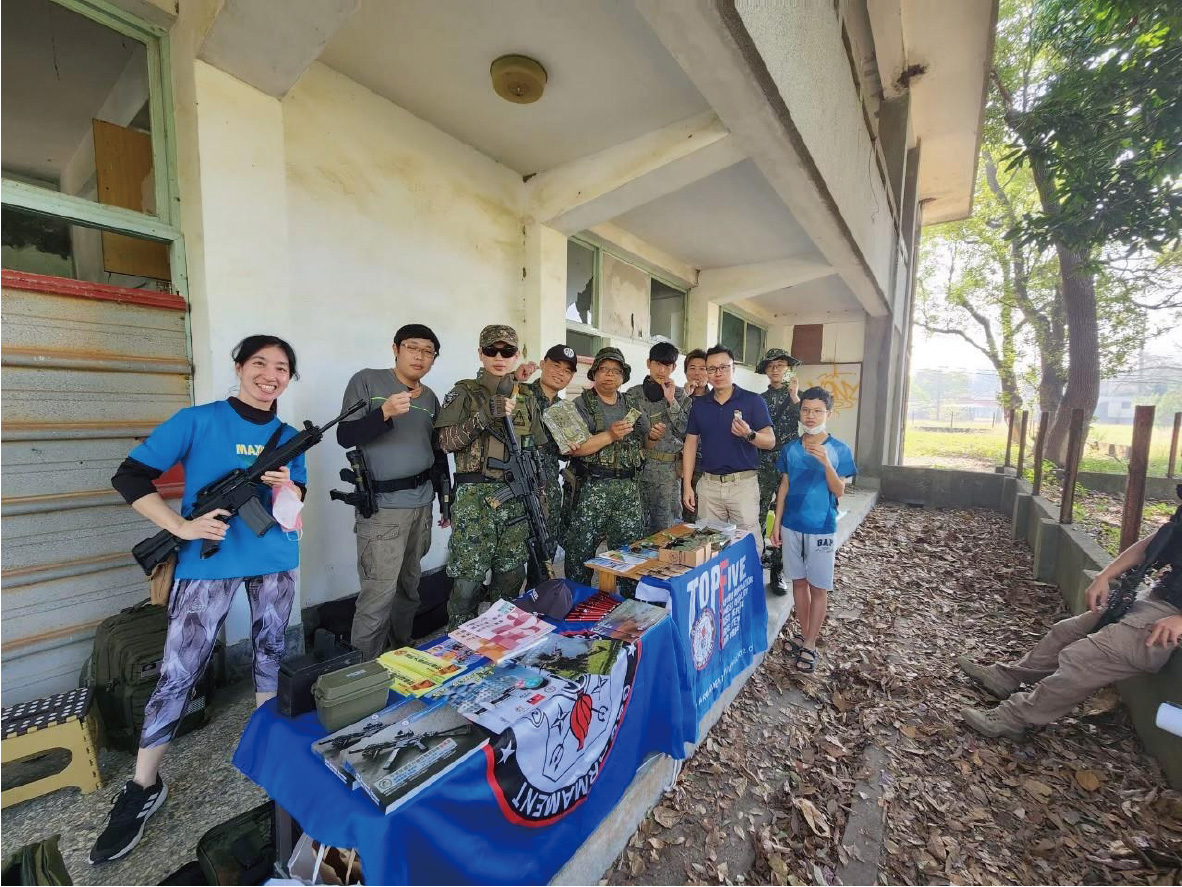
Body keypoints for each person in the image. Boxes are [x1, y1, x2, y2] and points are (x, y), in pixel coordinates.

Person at [95, 335, 307, 864]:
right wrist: (182, 526)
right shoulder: (198, 420)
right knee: (178, 671)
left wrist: (287, 487)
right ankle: (144, 785)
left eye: (282, 368)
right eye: (260, 363)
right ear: (238, 367)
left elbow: (295, 504)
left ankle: (269, 756)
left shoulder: (287, 436)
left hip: (275, 562)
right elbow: (129, 475)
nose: (270, 374)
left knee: (272, 658)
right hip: (208, 564)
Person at [959, 526, 1182, 740]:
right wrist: (1104, 576)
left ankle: (1014, 718)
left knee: (1084, 657)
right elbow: (1156, 541)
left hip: (1171, 619)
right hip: (1158, 595)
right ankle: (1006, 678)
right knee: (1067, 631)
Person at [337, 324, 449, 660]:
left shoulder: (429, 397)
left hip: (422, 504)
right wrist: (383, 412)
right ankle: (362, 671)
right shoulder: (368, 381)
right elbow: (345, 435)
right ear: (395, 349)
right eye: (413, 347)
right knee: (378, 594)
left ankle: (401, 649)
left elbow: (436, 452)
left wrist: (446, 500)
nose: (420, 356)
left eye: (428, 351)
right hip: (384, 509)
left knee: (410, 586)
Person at [435, 325, 544, 627]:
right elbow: (445, 443)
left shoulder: (527, 398)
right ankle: (457, 640)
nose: (499, 357)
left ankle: (496, 637)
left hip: (517, 497)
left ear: (517, 355)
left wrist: (540, 497)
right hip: (474, 499)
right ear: (480, 354)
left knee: (511, 575)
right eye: (491, 351)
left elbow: (535, 450)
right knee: (467, 580)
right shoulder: (463, 393)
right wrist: (483, 417)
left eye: (507, 351)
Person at [770, 387, 856, 672]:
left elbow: (839, 490)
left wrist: (826, 463)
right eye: (806, 410)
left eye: (817, 411)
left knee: (818, 586)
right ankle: (807, 636)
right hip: (792, 526)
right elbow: (784, 486)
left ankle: (809, 643)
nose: (810, 416)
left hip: (821, 527)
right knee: (798, 583)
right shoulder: (790, 448)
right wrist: (777, 524)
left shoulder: (839, 449)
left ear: (828, 413)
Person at [563, 347, 653, 586]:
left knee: (629, 554)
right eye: (603, 369)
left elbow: (647, 439)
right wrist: (611, 435)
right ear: (594, 373)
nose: (609, 375)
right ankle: (576, 601)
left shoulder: (631, 404)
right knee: (580, 551)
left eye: (615, 371)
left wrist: (655, 435)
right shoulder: (581, 404)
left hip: (627, 489)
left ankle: (627, 606)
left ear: (623, 377)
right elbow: (577, 448)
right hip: (592, 487)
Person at [681, 345, 774, 557]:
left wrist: (749, 434)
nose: (718, 373)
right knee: (708, 546)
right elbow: (690, 444)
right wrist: (687, 485)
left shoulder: (753, 401)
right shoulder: (699, 405)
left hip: (742, 485)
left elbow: (769, 441)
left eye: (724, 367)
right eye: (711, 369)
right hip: (709, 486)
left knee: (748, 545)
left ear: (734, 368)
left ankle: (749, 588)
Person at [519, 344, 578, 560]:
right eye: (555, 366)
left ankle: (541, 593)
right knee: (512, 563)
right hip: (519, 487)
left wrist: (572, 449)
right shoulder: (521, 395)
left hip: (550, 489)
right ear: (543, 364)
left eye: (567, 371)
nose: (560, 373)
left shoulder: (565, 409)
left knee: (545, 556)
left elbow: (564, 453)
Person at [628, 341, 691, 535]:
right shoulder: (633, 394)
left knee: (667, 529)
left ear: (674, 367)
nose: (661, 370)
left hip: (668, 474)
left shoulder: (681, 396)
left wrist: (671, 400)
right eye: (657, 364)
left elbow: (685, 432)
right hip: (640, 469)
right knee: (637, 527)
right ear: (648, 363)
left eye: (667, 365)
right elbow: (628, 432)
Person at [756, 348, 802, 591]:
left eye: (781, 365)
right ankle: (756, 561)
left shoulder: (799, 398)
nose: (775, 369)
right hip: (763, 463)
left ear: (788, 369)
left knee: (784, 516)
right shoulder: (759, 399)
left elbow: (808, 421)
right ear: (765, 370)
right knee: (759, 514)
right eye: (771, 365)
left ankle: (778, 570)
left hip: (789, 463)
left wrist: (794, 396)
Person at [682, 348, 710, 522]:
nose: (697, 373)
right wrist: (684, 397)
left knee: (703, 516)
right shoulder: (676, 396)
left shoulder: (716, 399)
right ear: (685, 372)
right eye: (692, 368)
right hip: (680, 465)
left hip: (706, 465)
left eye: (702, 368)